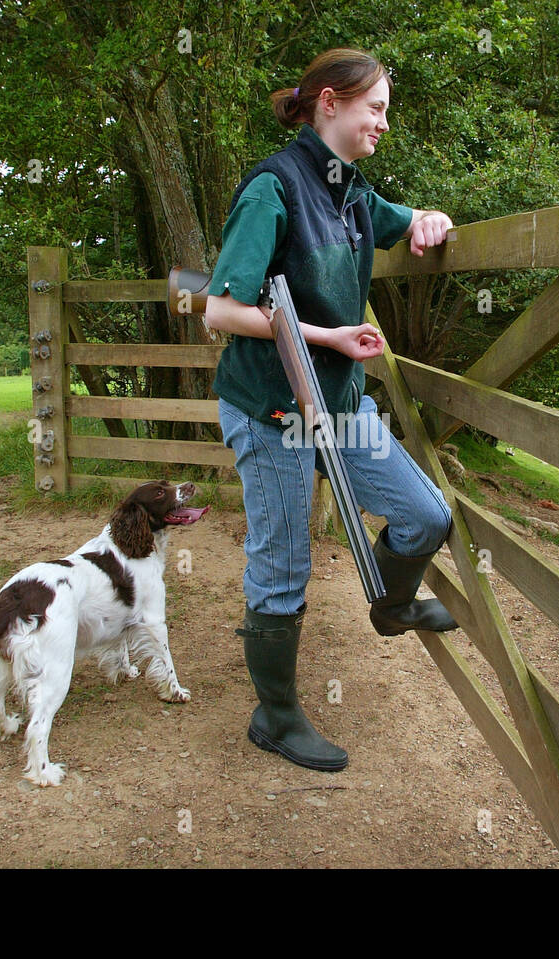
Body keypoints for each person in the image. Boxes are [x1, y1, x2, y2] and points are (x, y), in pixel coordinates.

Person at [204, 48, 458, 773]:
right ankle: (276, 717)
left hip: (340, 401)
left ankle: (391, 602)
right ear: (329, 102)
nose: (383, 122)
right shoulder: (273, 189)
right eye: (373, 108)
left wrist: (429, 218)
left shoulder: (351, 190)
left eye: (385, 111)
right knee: (282, 569)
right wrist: (328, 335)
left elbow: (401, 219)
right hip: (274, 407)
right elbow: (222, 307)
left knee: (426, 514)